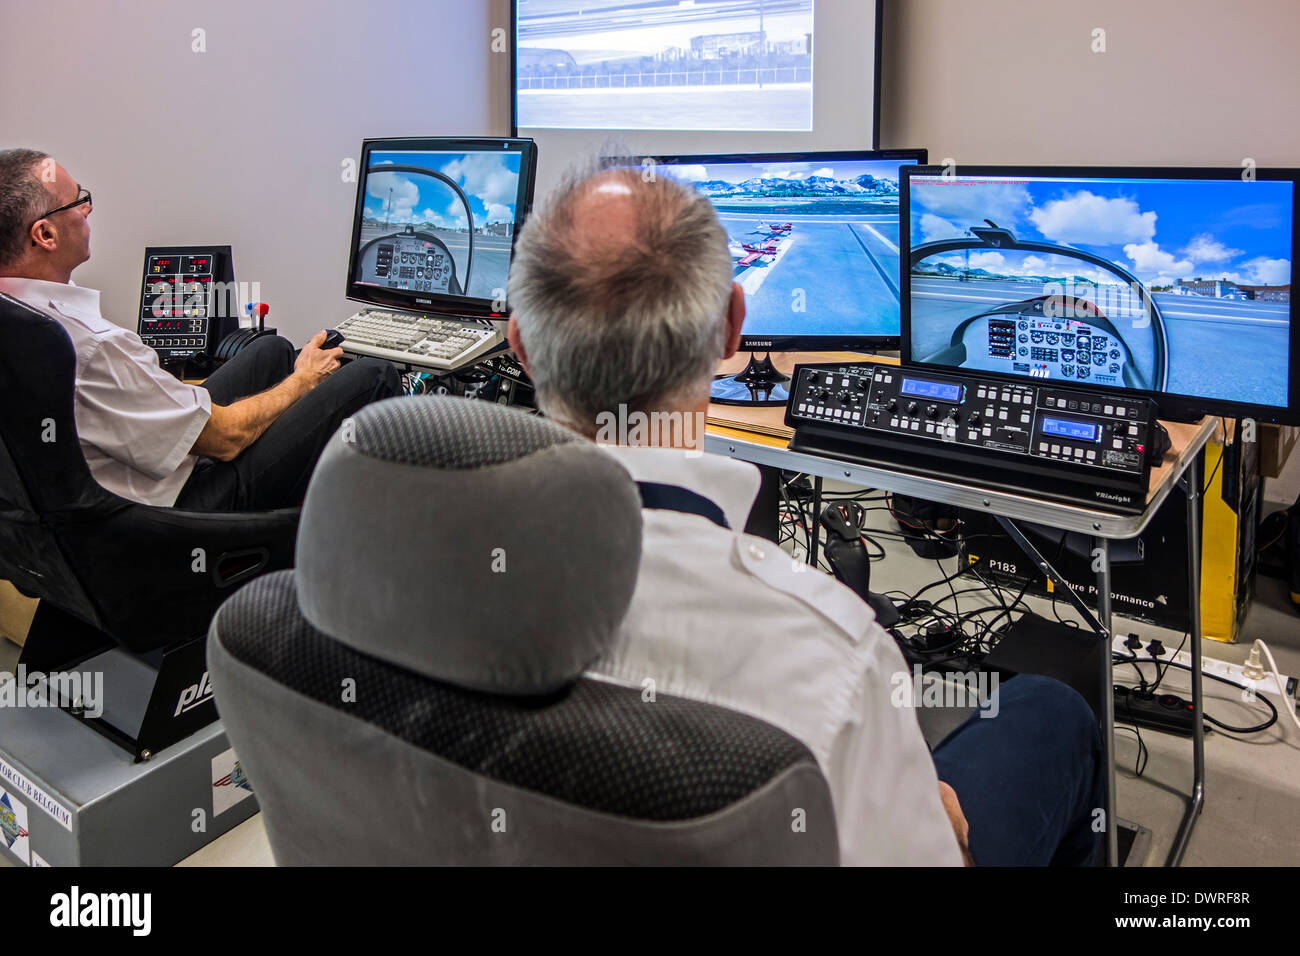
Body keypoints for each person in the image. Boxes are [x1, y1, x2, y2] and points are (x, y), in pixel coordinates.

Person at [505, 159, 1105, 866]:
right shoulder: (836, 649)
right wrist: (938, 823)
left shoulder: (402, 568)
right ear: (732, 327)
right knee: (1052, 711)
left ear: (520, 345)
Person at [0, 148, 401, 510]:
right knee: (371, 375)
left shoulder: (17, 315)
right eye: (78, 201)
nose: (87, 210)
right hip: (181, 516)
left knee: (271, 350)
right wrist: (305, 381)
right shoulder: (92, 347)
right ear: (45, 235)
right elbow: (225, 439)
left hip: (117, 488)